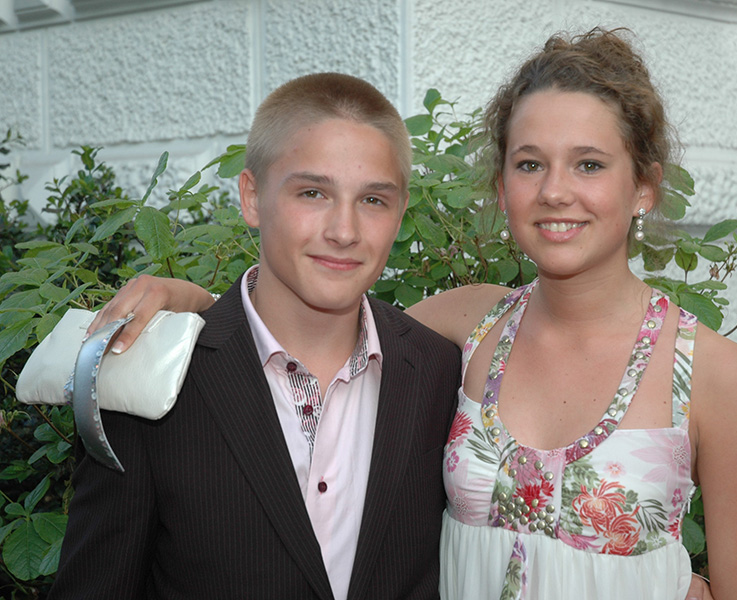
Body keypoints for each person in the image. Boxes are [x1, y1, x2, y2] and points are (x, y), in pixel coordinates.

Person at [86, 29, 737, 599]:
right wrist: (193, 305)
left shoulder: (715, 375)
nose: (556, 191)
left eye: (589, 164)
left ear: (644, 185)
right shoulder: (467, 327)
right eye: (530, 164)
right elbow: (307, 328)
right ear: (501, 187)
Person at [49, 72, 461, 600]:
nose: (344, 231)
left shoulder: (437, 369)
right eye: (312, 192)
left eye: (373, 200)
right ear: (251, 196)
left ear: (400, 213)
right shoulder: (150, 379)